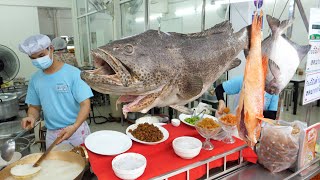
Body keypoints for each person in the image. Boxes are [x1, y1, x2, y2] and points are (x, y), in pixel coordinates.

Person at [19, 34, 93, 148]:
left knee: (82, 164)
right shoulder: (35, 79)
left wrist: (74, 127)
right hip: (52, 134)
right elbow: (34, 107)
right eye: (33, 58)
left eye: (41, 55)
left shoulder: (73, 73)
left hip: (76, 130)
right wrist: (31, 117)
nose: (38, 60)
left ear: (51, 49)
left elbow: (85, 104)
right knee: (55, 164)